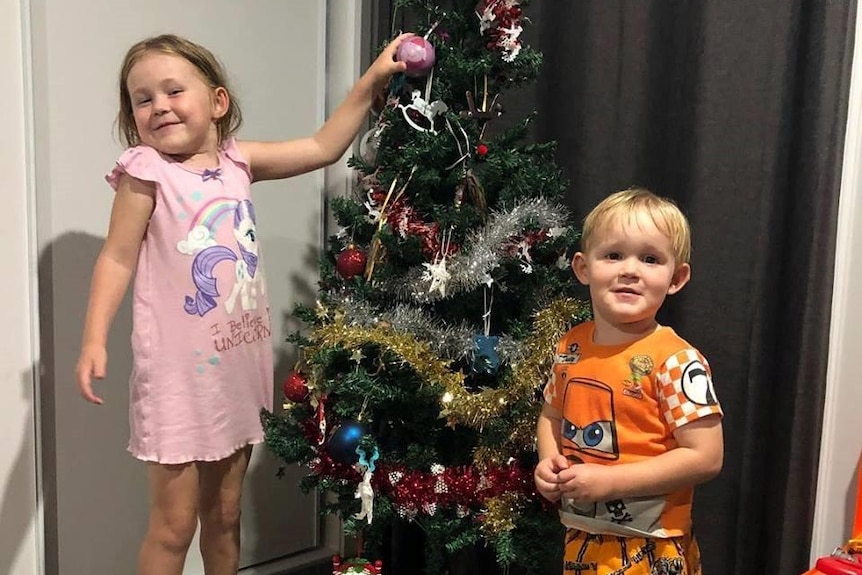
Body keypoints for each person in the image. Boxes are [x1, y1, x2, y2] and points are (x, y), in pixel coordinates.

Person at [74, 32, 410, 575]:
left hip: (235, 372)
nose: (159, 105)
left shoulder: (238, 161)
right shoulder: (146, 171)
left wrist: (371, 81)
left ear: (217, 101)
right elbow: (116, 258)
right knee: (173, 527)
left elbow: (324, 147)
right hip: (176, 382)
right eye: (142, 98)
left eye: (173, 91)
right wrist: (93, 338)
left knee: (226, 515)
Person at [534, 188, 724, 575]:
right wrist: (547, 463)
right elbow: (551, 415)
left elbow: (706, 457)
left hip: (654, 545)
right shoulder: (571, 346)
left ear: (677, 277)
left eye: (650, 259)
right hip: (582, 534)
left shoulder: (676, 361)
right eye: (613, 255)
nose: (630, 270)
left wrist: (610, 483)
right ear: (583, 268)